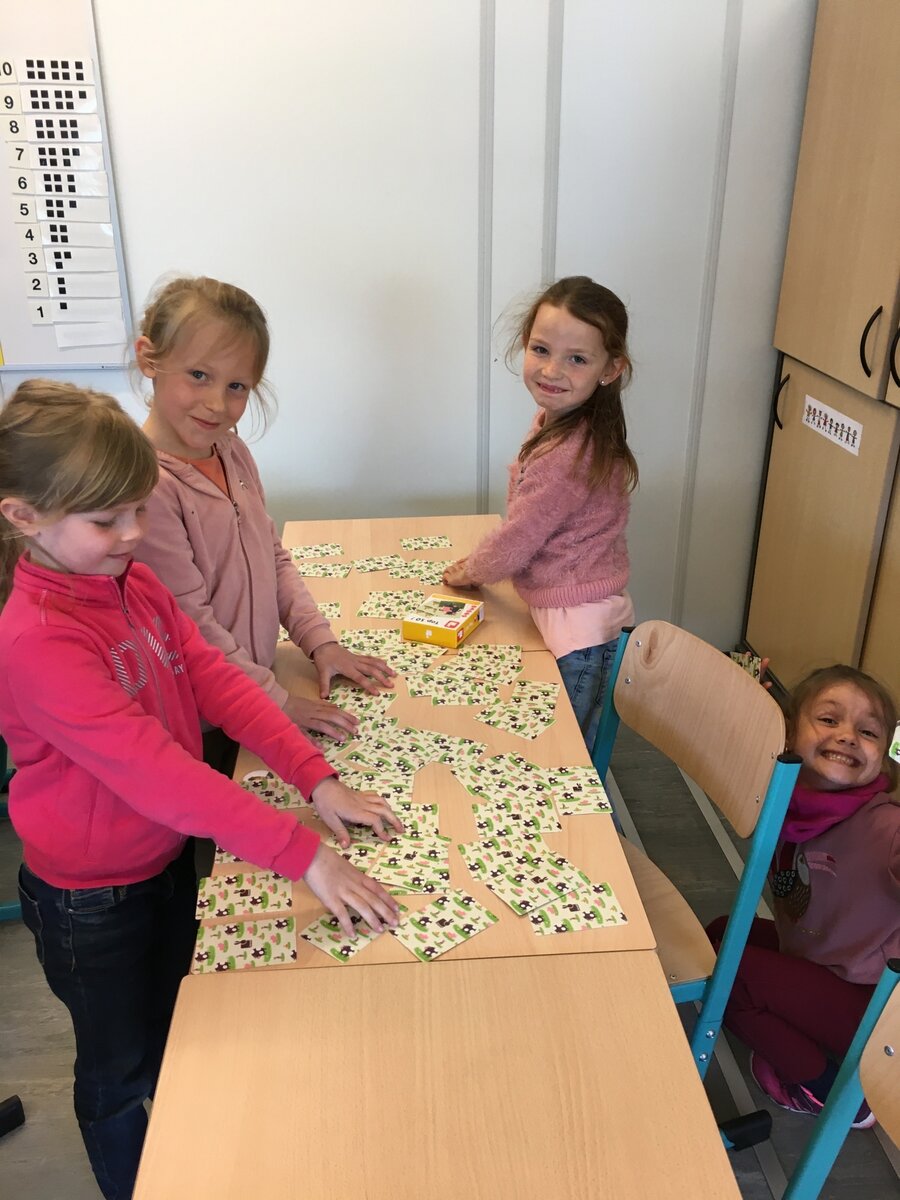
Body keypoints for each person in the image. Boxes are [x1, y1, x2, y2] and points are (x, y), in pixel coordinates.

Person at [0, 381, 402, 1200]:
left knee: (177, 1029)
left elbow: (217, 681)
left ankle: (186, 1160)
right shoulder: (37, 642)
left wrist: (316, 777)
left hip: (161, 862)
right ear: (24, 517)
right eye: (106, 521)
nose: (132, 534)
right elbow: (159, 773)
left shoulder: (133, 581)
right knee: (118, 1074)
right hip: (89, 902)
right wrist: (306, 856)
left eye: (137, 510)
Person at [133, 276, 395, 780]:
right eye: (199, 375)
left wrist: (320, 642)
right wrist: (277, 701)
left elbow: (272, 557)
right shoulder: (147, 487)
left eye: (237, 386)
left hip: (255, 686)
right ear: (149, 359)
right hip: (200, 720)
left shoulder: (231, 452)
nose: (217, 403)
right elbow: (191, 625)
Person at [443, 276, 637, 752]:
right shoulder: (560, 422)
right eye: (541, 349)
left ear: (610, 369)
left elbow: (519, 537)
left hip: (577, 635)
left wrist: (472, 571)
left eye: (577, 359)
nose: (551, 370)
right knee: (560, 744)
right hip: (571, 617)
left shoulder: (569, 452)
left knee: (558, 755)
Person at [706, 665, 900, 1130]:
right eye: (829, 720)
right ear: (790, 733)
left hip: (875, 1003)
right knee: (718, 934)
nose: (848, 736)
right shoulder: (790, 796)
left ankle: (833, 1094)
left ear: (884, 757)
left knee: (731, 974)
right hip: (824, 957)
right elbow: (737, 749)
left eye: (868, 732)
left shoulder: (886, 827)